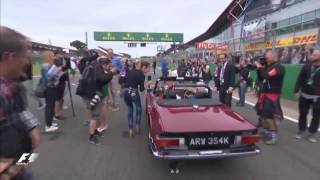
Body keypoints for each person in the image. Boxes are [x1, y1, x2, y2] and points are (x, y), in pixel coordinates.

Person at [0, 26, 41, 179]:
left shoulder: (13, 85)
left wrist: (31, 126)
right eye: (24, 56)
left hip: (20, 164)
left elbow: (20, 111)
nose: (26, 62)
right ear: (9, 57)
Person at [80, 56, 117, 145]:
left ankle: (95, 131)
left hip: (88, 93)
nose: (109, 67)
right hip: (90, 94)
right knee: (95, 116)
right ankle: (91, 137)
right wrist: (111, 73)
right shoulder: (97, 70)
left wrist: (110, 73)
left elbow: (103, 80)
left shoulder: (95, 67)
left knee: (95, 114)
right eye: (108, 66)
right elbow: (103, 79)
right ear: (104, 64)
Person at [255, 50, 285, 145]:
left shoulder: (279, 67)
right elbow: (261, 77)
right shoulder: (268, 66)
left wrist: (260, 68)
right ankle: (267, 131)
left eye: (267, 57)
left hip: (272, 95)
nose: (266, 58)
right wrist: (259, 69)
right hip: (264, 94)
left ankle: (274, 136)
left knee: (269, 117)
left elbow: (266, 76)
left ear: (274, 56)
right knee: (263, 116)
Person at [294, 47, 320, 143]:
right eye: (312, 55)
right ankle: (301, 130)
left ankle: (312, 133)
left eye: (314, 55)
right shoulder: (306, 66)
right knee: (303, 114)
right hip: (304, 95)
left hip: (317, 97)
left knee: (316, 116)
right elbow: (300, 79)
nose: (311, 56)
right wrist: (296, 91)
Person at [123, 60, 151, 137]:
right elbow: (141, 89)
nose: (149, 70)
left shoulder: (130, 71)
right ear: (144, 67)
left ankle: (130, 130)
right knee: (138, 109)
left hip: (125, 92)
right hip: (133, 92)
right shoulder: (141, 74)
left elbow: (127, 81)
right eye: (148, 68)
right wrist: (148, 84)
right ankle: (137, 126)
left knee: (130, 110)